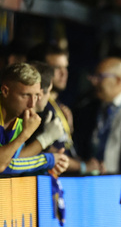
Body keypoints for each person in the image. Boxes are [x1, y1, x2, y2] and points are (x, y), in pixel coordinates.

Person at [0, 62, 69, 176]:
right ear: (5, 91)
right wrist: (26, 135)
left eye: (36, 95)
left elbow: (11, 162)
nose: (32, 104)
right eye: (25, 95)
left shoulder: (21, 115)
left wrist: (49, 166)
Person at [27, 42, 100, 174]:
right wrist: (83, 167)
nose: (64, 73)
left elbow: (63, 146)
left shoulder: (60, 106)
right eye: (57, 68)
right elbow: (44, 151)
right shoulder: (38, 105)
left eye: (65, 67)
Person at [73, 57, 121, 174]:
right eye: (94, 76)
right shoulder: (87, 107)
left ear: (118, 80)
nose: (94, 82)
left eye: (100, 77)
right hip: (92, 179)